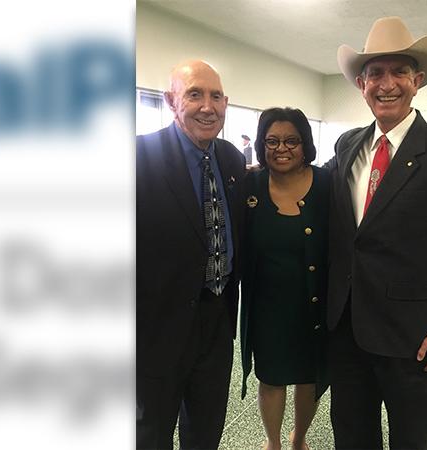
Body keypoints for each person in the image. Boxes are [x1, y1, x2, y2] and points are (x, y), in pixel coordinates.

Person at [325, 16, 427, 449]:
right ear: (361, 83)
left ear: (417, 80)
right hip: (348, 329)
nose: (385, 83)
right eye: (374, 73)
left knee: (411, 440)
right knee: (351, 436)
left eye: (398, 72)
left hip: (414, 337)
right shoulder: (347, 145)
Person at [136, 59, 246, 450]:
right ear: (170, 100)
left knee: (205, 428)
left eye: (216, 96)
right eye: (194, 94)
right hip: (155, 328)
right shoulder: (137, 157)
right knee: (151, 432)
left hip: (216, 323)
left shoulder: (232, 160)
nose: (207, 106)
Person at [240, 107, 329, 450]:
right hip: (267, 306)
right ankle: (273, 442)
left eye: (292, 140)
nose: (282, 148)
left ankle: (299, 438)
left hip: (314, 302)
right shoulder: (249, 185)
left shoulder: (326, 185)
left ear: (305, 144)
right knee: (272, 379)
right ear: (262, 145)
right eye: (272, 140)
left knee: (309, 378)